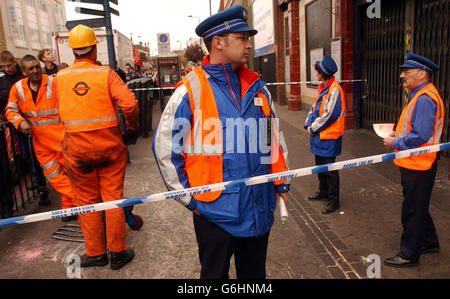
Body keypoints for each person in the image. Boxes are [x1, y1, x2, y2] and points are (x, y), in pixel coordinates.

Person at [152, 5, 290, 279]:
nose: (249, 44)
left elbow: (271, 140)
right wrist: (190, 200)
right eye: (243, 38)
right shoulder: (190, 90)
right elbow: (166, 149)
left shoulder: (258, 88)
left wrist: (280, 181)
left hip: (258, 208)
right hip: (214, 214)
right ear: (218, 42)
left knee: (254, 278)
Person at [56, 24, 139, 270]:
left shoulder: (58, 79)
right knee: (112, 200)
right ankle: (117, 253)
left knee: (87, 203)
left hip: (78, 153)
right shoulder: (106, 74)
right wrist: (131, 130)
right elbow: (130, 105)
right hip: (110, 150)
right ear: (94, 49)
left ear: (73, 52)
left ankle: (95, 254)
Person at [383, 53, 445, 267]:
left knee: (412, 209)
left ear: (421, 74)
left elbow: (421, 134)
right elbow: (413, 129)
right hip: (416, 162)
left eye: (406, 72)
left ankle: (409, 254)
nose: (402, 75)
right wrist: (396, 135)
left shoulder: (426, 98)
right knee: (419, 205)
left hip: (419, 163)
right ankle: (428, 240)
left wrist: (395, 143)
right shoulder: (419, 94)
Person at [5, 55, 75, 219]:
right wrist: (20, 122)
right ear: (23, 71)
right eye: (31, 68)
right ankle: (82, 203)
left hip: (63, 140)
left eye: (37, 66)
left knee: (72, 176)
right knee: (55, 178)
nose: (36, 70)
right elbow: (10, 110)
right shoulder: (18, 88)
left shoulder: (54, 83)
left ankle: (70, 208)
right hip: (41, 144)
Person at [0, 50, 49, 206]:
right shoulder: (7, 84)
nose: (6, 69)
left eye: (8, 65)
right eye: (3, 66)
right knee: (29, 157)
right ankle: (40, 185)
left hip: (43, 128)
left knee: (41, 158)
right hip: (20, 127)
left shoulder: (27, 79)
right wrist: (18, 121)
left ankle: (43, 186)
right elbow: (9, 108)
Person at [304, 56, 345, 214]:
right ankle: (323, 192)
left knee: (330, 170)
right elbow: (314, 109)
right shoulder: (324, 88)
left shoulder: (334, 89)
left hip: (329, 137)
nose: (316, 74)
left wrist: (313, 128)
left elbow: (330, 115)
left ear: (323, 73)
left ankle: (334, 200)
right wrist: (308, 123)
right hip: (320, 137)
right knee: (321, 167)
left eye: (317, 72)